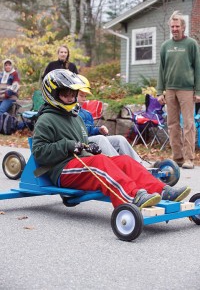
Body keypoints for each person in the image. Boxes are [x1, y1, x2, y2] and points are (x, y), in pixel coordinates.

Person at [32, 69, 191, 209]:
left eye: (73, 93)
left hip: (81, 163)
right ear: (52, 94)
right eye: (65, 93)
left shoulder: (75, 117)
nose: (70, 97)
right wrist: (67, 145)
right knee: (99, 163)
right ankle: (132, 196)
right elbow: (39, 152)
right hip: (62, 170)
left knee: (124, 161)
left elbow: (82, 142)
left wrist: (88, 146)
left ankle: (161, 190)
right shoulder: (46, 119)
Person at [157, 11, 200, 169]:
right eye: (172, 26)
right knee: (172, 124)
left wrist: (199, 91)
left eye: (177, 26)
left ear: (183, 27)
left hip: (187, 90)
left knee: (188, 124)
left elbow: (198, 68)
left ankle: (189, 158)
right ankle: (178, 158)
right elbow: (161, 69)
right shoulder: (165, 46)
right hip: (169, 90)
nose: (174, 29)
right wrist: (159, 91)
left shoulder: (191, 44)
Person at [77, 89, 143, 164]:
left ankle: (138, 164)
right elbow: (79, 131)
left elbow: (91, 130)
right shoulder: (71, 112)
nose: (84, 99)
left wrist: (98, 130)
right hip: (80, 141)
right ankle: (119, 165)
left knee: (119, 139)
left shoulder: (87, 113)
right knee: (100, 138)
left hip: (90, 138)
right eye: (81, 96)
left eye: (85, 96)